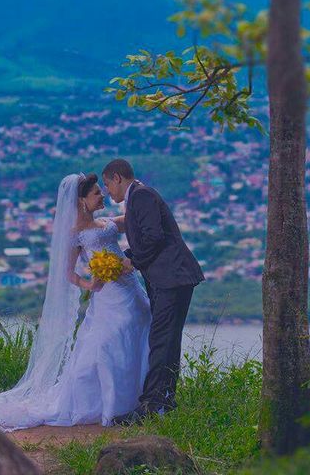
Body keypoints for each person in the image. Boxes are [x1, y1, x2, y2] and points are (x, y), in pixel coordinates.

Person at [0, 173, 151, 430]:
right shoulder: (76, 235)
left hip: (130, 287)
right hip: (107, 296)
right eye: (95, 193)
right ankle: (113, 404)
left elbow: (133, 219)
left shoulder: (107, 222)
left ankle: (142, 398)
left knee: (142, 323)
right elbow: (67, 273)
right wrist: (89, 284)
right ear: (81, 201)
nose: (101, 195)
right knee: (108, 342)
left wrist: (140, 196)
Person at [102, 159, 205, 425]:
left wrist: (131, 259)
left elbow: (153, 237)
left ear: (117, 177)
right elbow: (144, 233)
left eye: (107, 184)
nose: (107, 191)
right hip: (168, 279)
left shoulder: (141, 195)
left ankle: (150, 406)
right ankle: (164, 401)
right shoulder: (137, 197)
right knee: (166, 340)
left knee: (161, 340)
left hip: (172, 278)